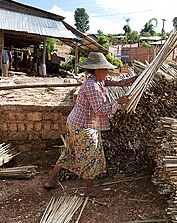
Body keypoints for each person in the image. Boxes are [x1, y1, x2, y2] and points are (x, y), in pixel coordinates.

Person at [44, 52, 137, 197]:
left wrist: (126, 82)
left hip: (76, 123)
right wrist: (118, 102)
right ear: (98, 69)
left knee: (70, 153)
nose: (107, 72)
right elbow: (100, 110)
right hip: (83, 127)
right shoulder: (92, 86)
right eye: (105, 69)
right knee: (90, 155)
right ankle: (89, 189)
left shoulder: (97, 80)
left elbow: (111, 82)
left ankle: (50, 181)